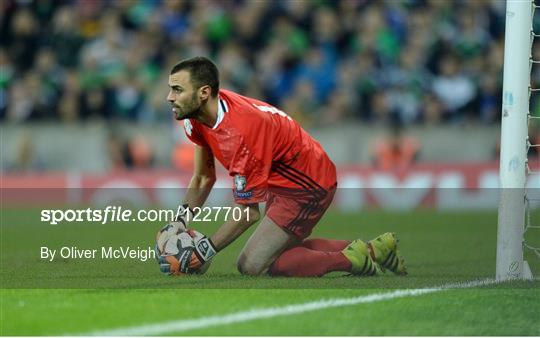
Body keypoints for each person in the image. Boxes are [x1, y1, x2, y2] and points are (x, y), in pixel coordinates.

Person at [156, 56, 406, 277]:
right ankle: (375, 249)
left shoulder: (241, 131)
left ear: (203, 93)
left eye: (177, 90)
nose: (170, 97)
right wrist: (179, 222)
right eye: (170, 89)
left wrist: (205, 250)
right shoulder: (197, 117)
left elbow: (248, 212)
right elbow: (202, 178)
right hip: (283, 176)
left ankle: (355, 260)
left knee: (252, 265)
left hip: (308, 182)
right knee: (277, 254)